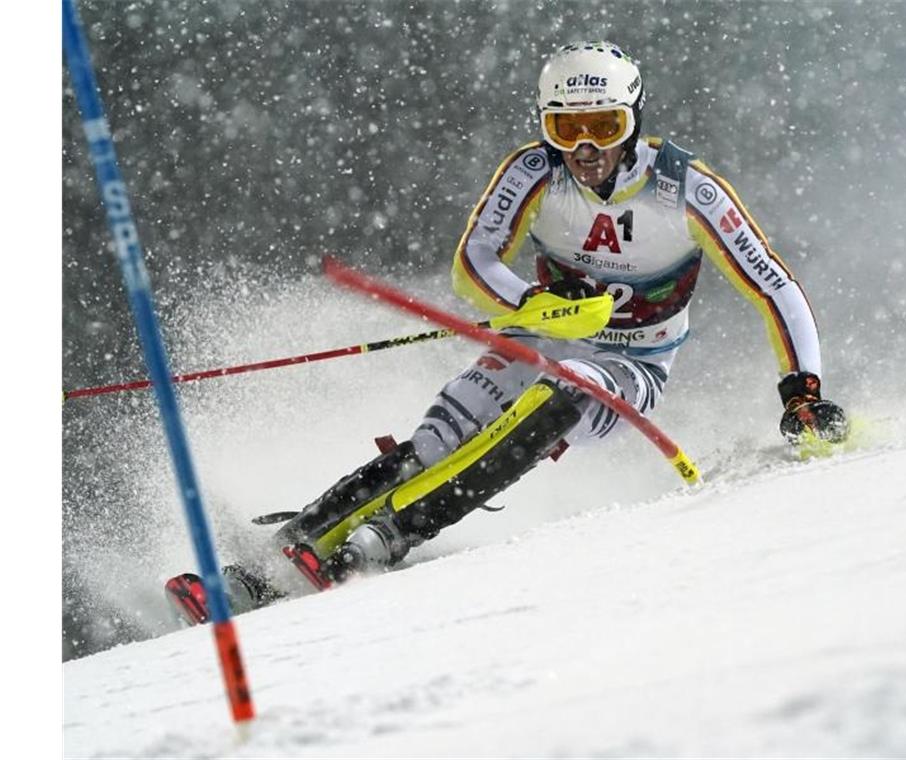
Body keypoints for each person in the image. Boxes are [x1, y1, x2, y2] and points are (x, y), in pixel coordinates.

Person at [166, 40, 849, 621]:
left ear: (634, 120)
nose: (585, 150)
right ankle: (257, 571)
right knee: (438, 439)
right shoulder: (532, 172)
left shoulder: (687, 189)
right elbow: (473, 262)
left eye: (606, 127)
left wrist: (802, 391)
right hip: (539, 337)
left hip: (633, 363)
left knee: (561, 397)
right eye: (566, 129)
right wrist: (537, 303)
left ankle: (389, 535)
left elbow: (774, 286)